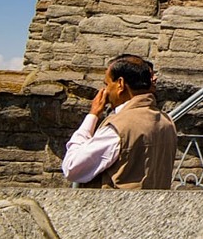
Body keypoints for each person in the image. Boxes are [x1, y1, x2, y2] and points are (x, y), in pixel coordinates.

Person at [62, 55, 177, 189]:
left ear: (120, 84)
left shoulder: (119, 128)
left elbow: (72, 167)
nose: (105, 91)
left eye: (107, 84)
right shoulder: (166, 122)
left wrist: (92, 115)